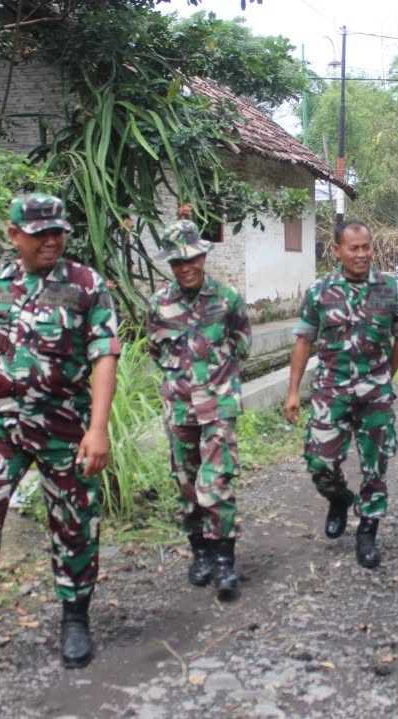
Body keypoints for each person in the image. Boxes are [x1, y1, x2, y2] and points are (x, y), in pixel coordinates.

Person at [0, 193, 120, 671]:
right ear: (14, 235)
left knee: (74, 522)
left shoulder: (85, 285)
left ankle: (75, 618)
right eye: (40, 234)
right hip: (2, 424)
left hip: (64, 424)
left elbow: (104, 356)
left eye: (58, 232)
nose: (51, 241)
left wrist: (97, 430)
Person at [283, 219, 398, 569]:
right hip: (331, 390)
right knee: (319, 462)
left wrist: (386, 377)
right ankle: (339, 498)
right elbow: (304, 341)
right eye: (353, 248)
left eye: (366, 247)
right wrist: (293, 392)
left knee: (375, 465)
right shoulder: (320, 292)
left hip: (375, 393)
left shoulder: (390, 289)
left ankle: (368, 530)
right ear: (337, 250)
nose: (361, 254)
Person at [147, 208, 251, 601]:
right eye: (178, 261)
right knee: (186, 481)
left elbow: (241, 344)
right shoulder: (159, 305)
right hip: (179, 407)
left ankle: (224, 560)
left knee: (217, 479)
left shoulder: (227, 298)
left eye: (191, 258)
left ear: (203, 257)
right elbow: (156, 349)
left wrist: (216, 381)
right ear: (170, 264)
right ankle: (200, 552)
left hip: (218, 404)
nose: (186, 267)